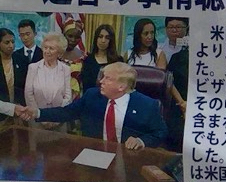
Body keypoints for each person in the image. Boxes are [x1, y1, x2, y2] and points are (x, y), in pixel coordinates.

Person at [29, 62, 167, 150]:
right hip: (94, 153)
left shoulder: (147, 105)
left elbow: (161, 133)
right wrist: (37, 113)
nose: (101, 81)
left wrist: (141, 141)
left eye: (107, 78)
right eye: (102, 77)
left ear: (122, 86)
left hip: (127, 156)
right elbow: (66, 112)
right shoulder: (92, 96)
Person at [24, 33, 72, 130]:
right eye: (45, 48)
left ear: (59, 52)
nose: (47, 51)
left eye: (51, 48)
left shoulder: (66, 69)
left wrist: (56, 117)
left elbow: (68, 96)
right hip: (37, 121)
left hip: (59, 121)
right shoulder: (33, 67)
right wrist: (40, 116)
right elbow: (28, 94)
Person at [81, 24, 123, 91]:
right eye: (100, 37)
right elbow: (85, 85)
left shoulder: (118, 61)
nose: (103, 40)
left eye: (107, 38)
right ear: (96, 39)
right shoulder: (88, 59)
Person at [12, 18, 42, 104]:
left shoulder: (44, 54)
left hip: (39, 99)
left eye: (28, 34)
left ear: (35, 34)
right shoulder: (15, 55)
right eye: (22, 35)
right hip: (20, 100)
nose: (25, 38)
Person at [60, 19, 86, 101]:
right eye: (70, 36)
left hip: (77, 97)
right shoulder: (55, 54)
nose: (73, 40)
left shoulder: (83, 56)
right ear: (64, 35)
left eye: (77, 37)